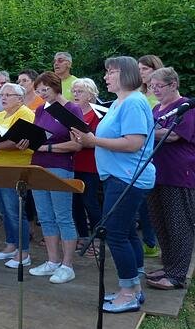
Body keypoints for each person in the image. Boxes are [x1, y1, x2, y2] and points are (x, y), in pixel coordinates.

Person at [70, 56, 156, 313]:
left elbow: (133, 143)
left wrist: (92, 140)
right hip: (118, 177)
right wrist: (89, 139)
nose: (106, 76)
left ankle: (129, 292)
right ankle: (132, 288)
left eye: (111, 72)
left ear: (126, 74)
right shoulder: (121, 102)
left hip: (128, 178)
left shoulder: (133, 102)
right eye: (106, 72)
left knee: (116, 235)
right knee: (126, 233)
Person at [25, 72, 83, 284]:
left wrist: (48, 146)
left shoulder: (72, 109)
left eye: (45, 90)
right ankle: (52, 261)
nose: (42, 94)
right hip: (38, 166)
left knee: (63, 216)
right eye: (39, 90)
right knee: (45, 216)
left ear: (55, 87)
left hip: (60, 167)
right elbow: (35, 137)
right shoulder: (40, 109)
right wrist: (27, 141)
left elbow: (77, 144)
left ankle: (68, 265)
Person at [145, 67, 194, 290]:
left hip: (178, 174)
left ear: (173, 85)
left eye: (159, 86)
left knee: (179, 224)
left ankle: (177, 275)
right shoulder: (157, 107)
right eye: (152, 86)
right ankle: (168, 265)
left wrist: (140, 130)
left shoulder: (186, 108)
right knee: (160, 222)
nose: (155, 90)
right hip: (157, 172)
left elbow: (173, 135)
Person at [0, 83, 35, 268]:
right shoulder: (0, 115)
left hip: (14, 169)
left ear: (19, 98)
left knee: (15, 211)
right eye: (1, 94)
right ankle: (11, 245)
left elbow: (18, 139)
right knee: (4, 210)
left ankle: (24, 252)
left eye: (7, 94)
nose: (2, 97)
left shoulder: (25, 113)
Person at [70, 78, 103, 254]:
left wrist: (80, 141)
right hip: (72, 162)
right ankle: (82, 236)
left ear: (90, 94)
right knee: (74, 202)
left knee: (90, 201)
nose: (75, 94)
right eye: (74, 91)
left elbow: (98, 140)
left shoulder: (97, 113)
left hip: (90, 163)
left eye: (80, 91)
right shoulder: (72, 112)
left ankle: (97, 239)